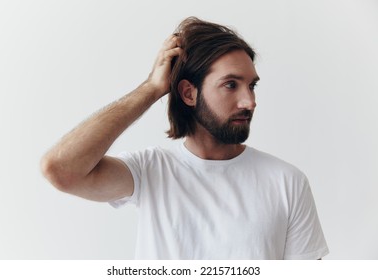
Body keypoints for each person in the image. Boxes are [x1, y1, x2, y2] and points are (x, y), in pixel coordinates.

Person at [41, 17, 329, 259]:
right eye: (231, 85)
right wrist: (151, 89)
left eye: (251, 86)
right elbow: (60, 169)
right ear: (189, 93)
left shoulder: (286, 182)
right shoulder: (151, 171)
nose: (249, 101)